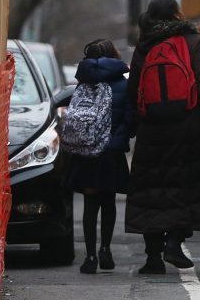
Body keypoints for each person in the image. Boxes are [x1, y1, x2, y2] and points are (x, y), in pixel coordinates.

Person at [126, 0, 200, 274]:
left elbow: (134, 90)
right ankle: (174, 243)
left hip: (152, 129)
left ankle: (152, 258)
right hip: (187, 127)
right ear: (177, 14)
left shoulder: (145, 43)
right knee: (184, 186)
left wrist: (131, 126)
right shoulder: (192, 40)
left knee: (152, 191)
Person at [63, 39, 133, 274]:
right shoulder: (123, 85)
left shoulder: (83, 83)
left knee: (90, 204)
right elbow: (130, 119)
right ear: (113, 57)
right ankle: (106, 250)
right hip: (110, 153)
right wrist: (120, 138)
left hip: (86, 153)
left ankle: (90, 256)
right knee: (108, 202)